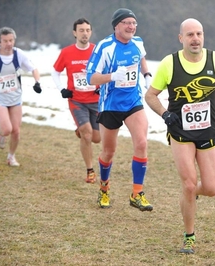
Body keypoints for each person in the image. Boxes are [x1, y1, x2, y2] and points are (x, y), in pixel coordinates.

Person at [145, 18, 215, 254]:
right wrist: (165, 114)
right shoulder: (170, 63)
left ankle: (191, 194)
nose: (195, 39)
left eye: (198, 34)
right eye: (190, 35)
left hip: (207, 131)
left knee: (211, 188)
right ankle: (189, 237)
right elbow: (151, 96)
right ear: (181, 39)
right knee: (188, 184)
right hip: (180, 132)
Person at [86, 8, 153, 210]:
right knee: (108, 151)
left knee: (141, 143)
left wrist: (147, 74)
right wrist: (113, 76)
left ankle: (137, 194)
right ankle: (104, 189)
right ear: (117, 25)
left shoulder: (138, 42)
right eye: (127, 23)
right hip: (110, 106)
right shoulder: (105, 47)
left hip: (133, 102)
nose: (131, 26)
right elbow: (91, 78)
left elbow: (141, 57)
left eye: (134, 23)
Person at [52, 18, 100, 183]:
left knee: (97, 138)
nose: (85, 33)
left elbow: (106, 70)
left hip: (96, 100)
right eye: (81, 30)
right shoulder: (66, 52)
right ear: (74, 33)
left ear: (91, 32)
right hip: (76, 101)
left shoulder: (97, 50)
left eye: (87, 30)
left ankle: (81, 130)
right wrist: (62, 90)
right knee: (87, 134)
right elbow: (55, 72)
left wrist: (101, 84)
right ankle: (90, 170)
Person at [0, 27, 41, 166]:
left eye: (11, 40)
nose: (9, 44)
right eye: (5, 41)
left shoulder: (19, 54)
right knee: (7, 129)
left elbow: (33, 68)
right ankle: (1, 132)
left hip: (15, 98)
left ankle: (11, 156)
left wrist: (37, 82)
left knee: (16, 130)